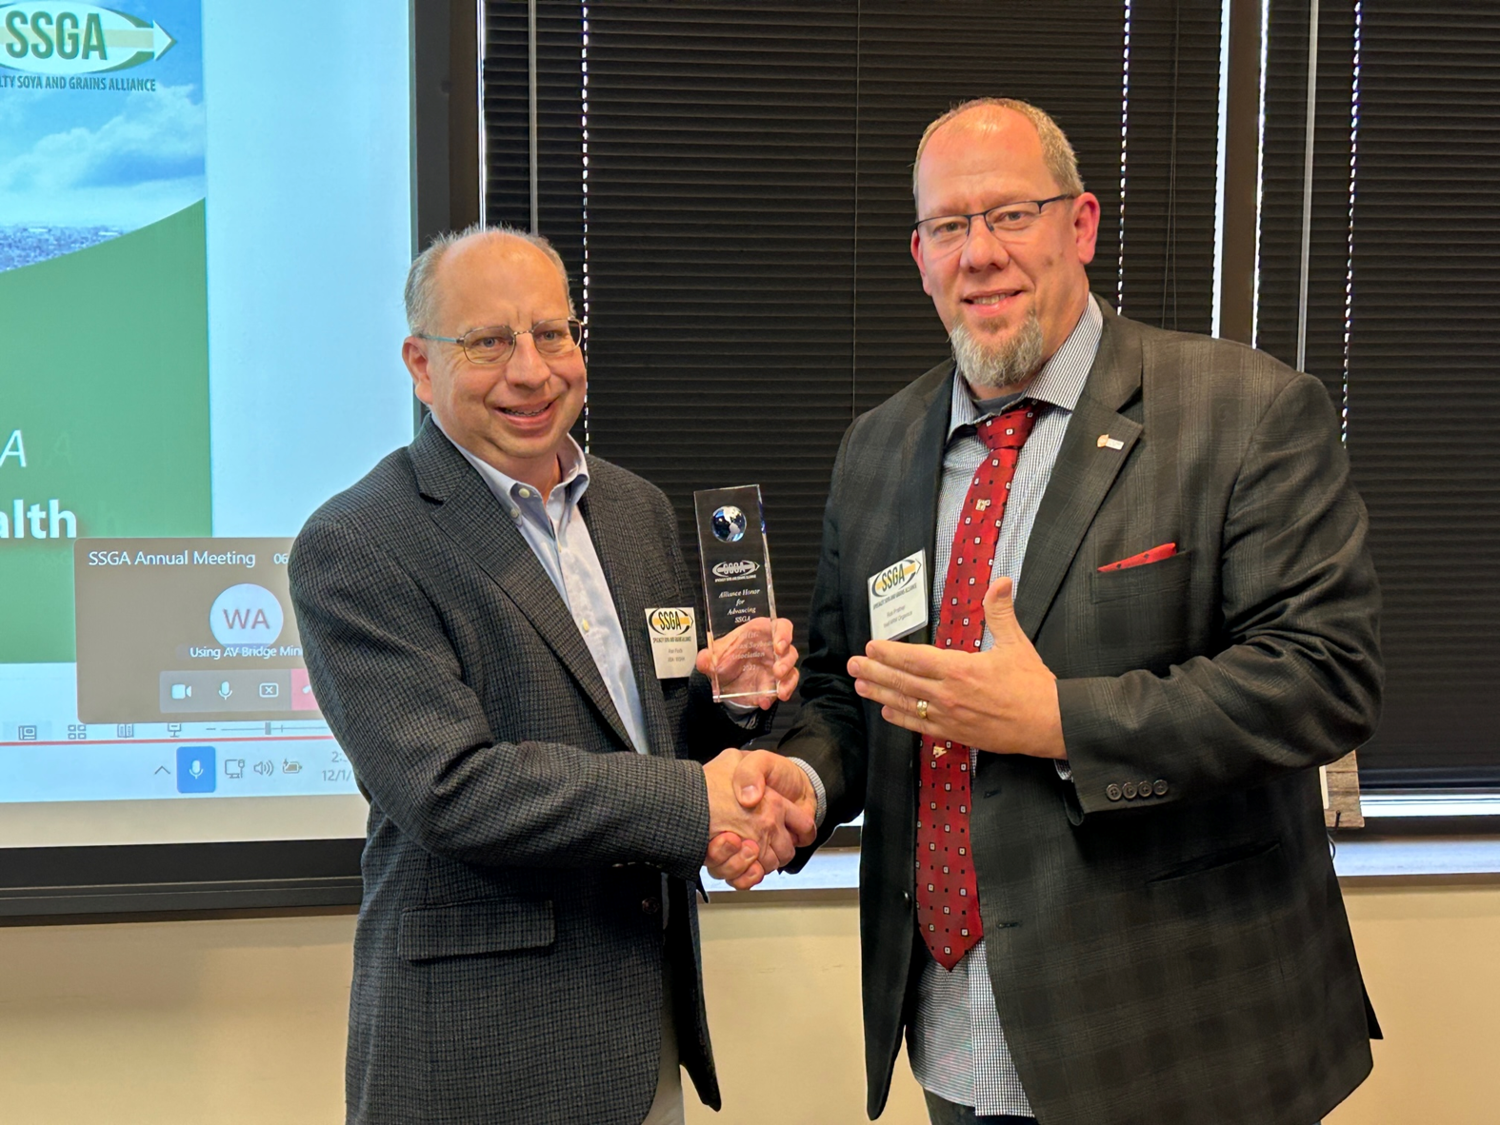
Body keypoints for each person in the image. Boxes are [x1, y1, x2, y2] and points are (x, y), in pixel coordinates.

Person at [754, 98, 1384, 1125]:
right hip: (953, 1033)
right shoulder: (876, 448)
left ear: (1081, 224)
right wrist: (803, 781)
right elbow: (846, 689)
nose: (980, 254)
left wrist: (1059, 721)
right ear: (920, 258)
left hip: (1178, 1042)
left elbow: (1324, 678)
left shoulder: (1242, 410)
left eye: (1011, 214)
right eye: (948, 227)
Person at [288, 225, 815, 1125]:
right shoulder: (358, 542)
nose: (530, 371)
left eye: (552, 333)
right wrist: (698, 803)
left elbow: (645, 740)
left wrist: (724, 704)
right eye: (488, 342)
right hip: (482, 1056)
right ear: (420, 366)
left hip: (641, 1034)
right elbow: (452, 788)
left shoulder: (635, 509)